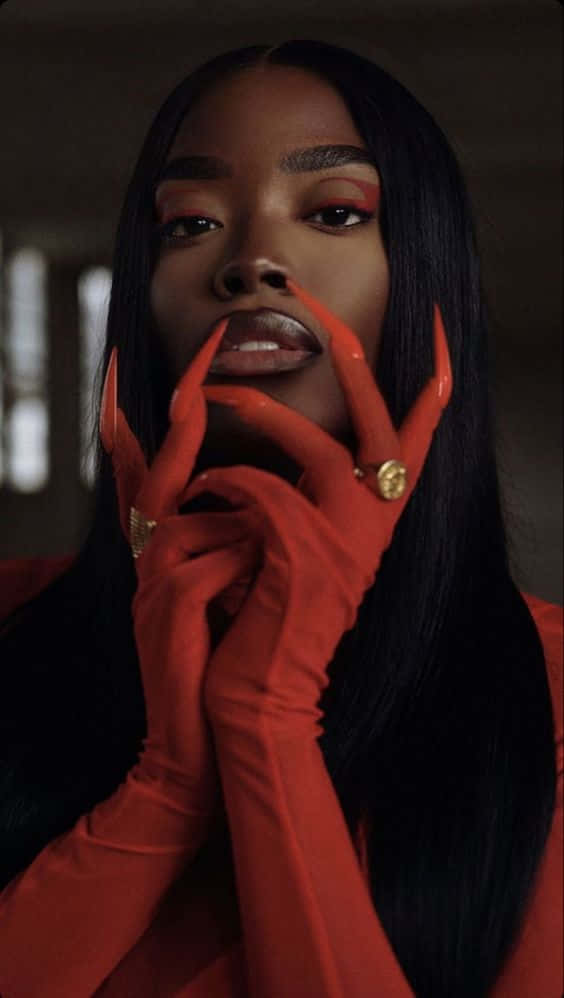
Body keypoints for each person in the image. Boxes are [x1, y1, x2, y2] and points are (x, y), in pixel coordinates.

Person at [0, 38, 561, 998]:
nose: (254, 261)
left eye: (336, 212)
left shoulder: (548, 688)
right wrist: (168, 785)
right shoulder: (11, 619)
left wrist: (265, 720)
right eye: (190, 224)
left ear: (430, 285)